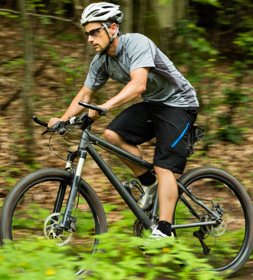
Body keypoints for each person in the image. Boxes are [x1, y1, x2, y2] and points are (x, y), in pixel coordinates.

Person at [48, 2, 199, 240]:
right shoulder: (101, 61)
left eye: (94, 31)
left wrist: (106, 105)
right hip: (153, 104)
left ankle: (165, 228)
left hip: (179, 104)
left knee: (164, 165)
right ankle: (150, 185)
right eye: (87, 33)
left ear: (113, 28)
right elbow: (85, 94)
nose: (89, 38)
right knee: (113, 135)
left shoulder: (137, 43)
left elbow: (138, 84)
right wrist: (63, 120)